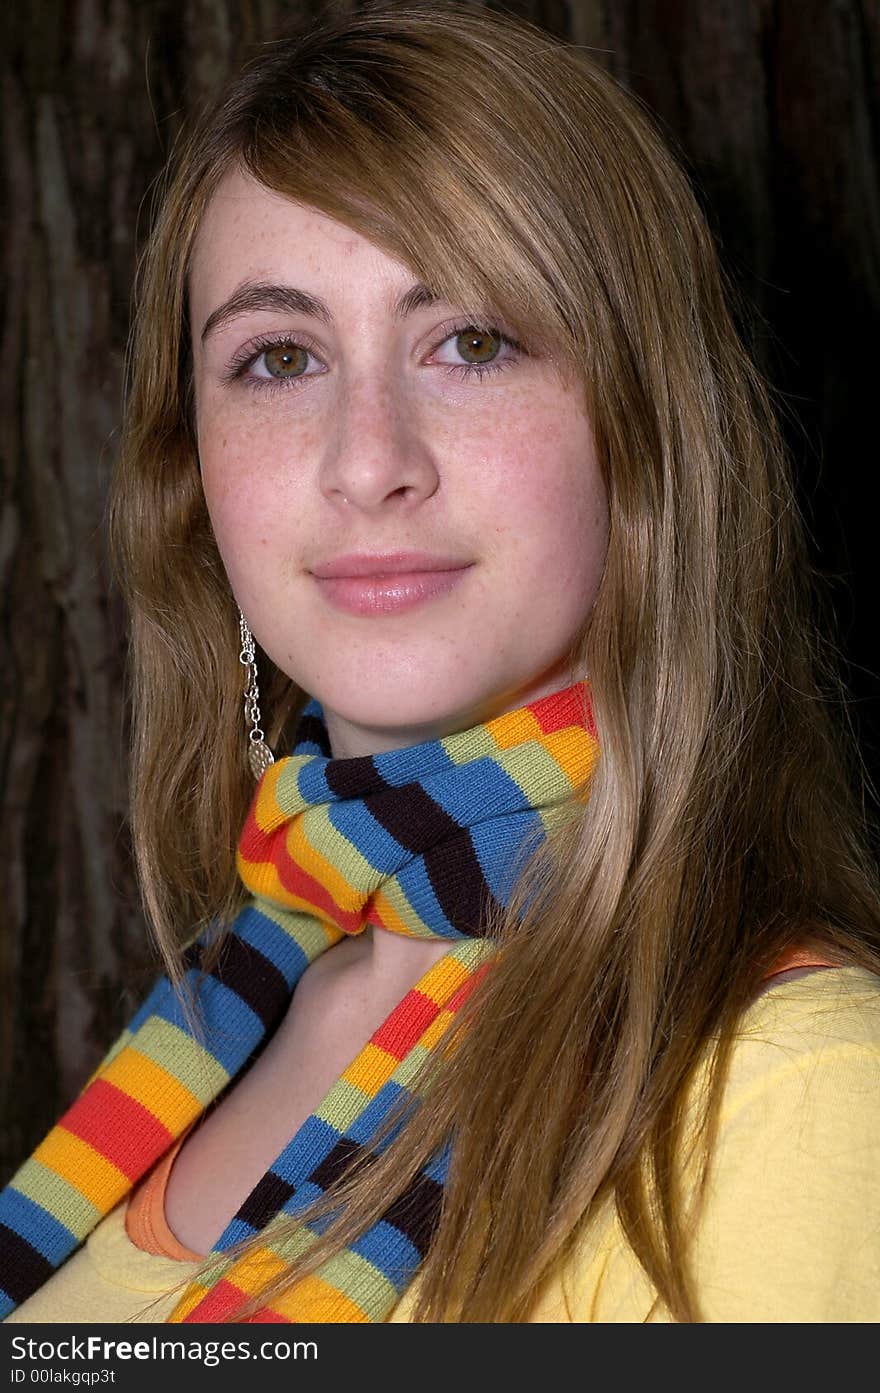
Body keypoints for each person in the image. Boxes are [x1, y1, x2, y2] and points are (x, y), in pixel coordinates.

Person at [2, 0, 879, 1325]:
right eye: (280, 357)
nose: (369, 460)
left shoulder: (797, 1090)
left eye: (471, 341)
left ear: (643, 434)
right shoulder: (223, 1001)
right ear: (193, 483)